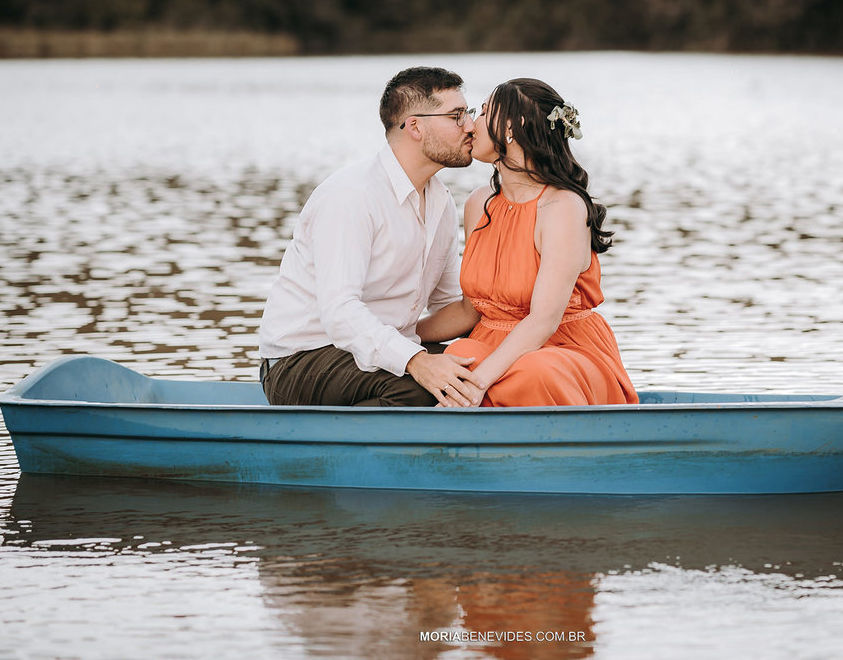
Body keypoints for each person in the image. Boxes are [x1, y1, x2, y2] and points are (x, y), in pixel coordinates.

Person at [258, 67, 485, 407]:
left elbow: (449, 306)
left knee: (478, 372)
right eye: (456, 116)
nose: (470, 126)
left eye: (468, 113)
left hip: (372, 352)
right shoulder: (352, 196)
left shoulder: (441, 202)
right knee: (424, 389)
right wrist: (416, 360)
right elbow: (340, 312)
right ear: (415, 127)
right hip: (300, 360)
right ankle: (320, 437)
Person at [417, 78, 638, 407]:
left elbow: (543, 320)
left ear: (512, 127)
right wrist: (399, 336)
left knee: (535, 372)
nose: (471, 124)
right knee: (459, 354)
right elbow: (469, 310)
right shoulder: (480, 203)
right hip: (492, 345)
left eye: (484, 112)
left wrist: (476, 384)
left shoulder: (562, 207)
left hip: (562, 350)